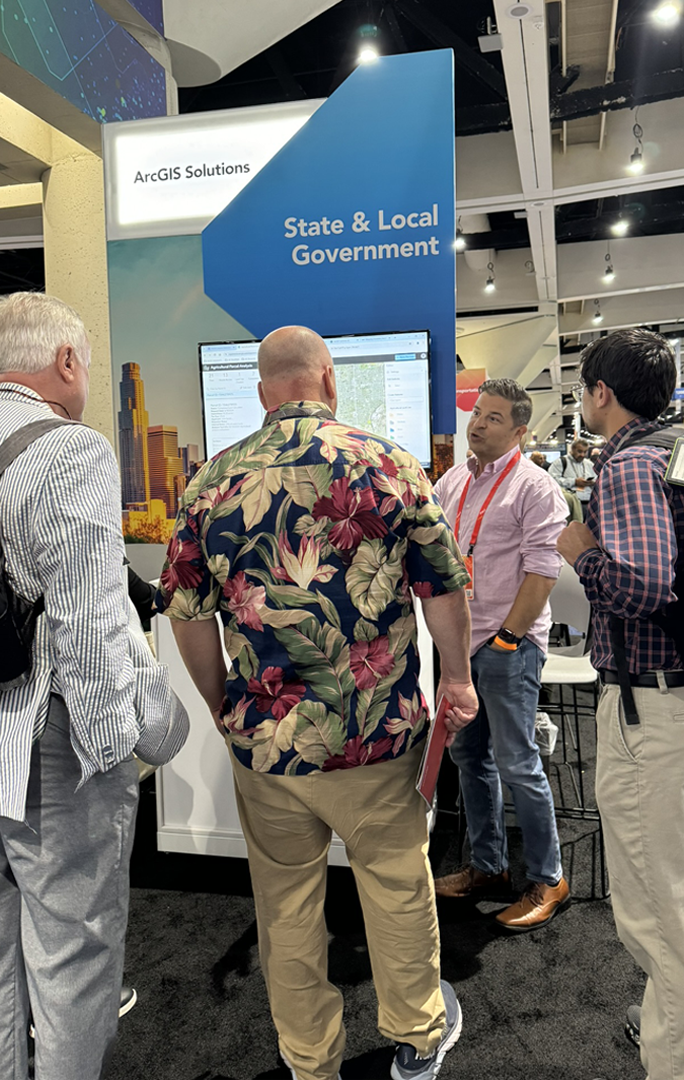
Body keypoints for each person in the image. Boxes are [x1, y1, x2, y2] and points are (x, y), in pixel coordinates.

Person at [161, 325, 478, 1080]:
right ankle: (417, 1034)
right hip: (376, 736)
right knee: (397, 884)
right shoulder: (389, 464)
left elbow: (186, 614)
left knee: (287, 904)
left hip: (267, 744)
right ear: (329, 381)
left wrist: (221, 707)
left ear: (262, 390)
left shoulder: (211, 482)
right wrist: (457, 677)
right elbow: (443, 591)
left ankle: (310, 1061)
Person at [0, 292, 187, 1080]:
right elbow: (89, 624)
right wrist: (115, 751)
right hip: (51, 742)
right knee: (74, 950)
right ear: (67, 362)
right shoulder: (71, 449)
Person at [555, 328, 684, 1080]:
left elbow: (642, 585)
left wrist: (581, 552)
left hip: (660, 715)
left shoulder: (632, 465)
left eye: (583, 389)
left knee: (666, 921)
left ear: (600, 394)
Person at [430, 379, 572, 929]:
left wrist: (510, 638)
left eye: (493, 417)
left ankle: (548, 877)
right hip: (461, 647)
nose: (478, 423)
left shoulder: (536, 488)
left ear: (519, 430)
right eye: (477, 413)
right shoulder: (453, 480)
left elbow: (543, 570)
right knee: (470, 760)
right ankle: (487, 867)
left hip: (507, 646)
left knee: (518, 764)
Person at [550, 437, 597, 505]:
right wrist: (574, 482)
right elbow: (552, 481)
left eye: (585, 452)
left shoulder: (589, 464)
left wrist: (592, 482)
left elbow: (597, 479)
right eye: (579, 451)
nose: (582, 455)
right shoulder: (560, 462)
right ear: (572, 449)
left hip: (588, 502)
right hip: (568, 503)